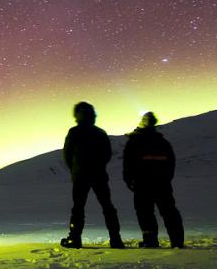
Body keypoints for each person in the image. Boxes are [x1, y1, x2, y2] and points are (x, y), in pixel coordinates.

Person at [61, 102, 124, 249]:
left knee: (78, 207)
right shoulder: (100, 133)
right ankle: (116, 239)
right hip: (99, 174)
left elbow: (67, 155)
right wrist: (98, 166)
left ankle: (75, 238)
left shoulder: (74, 132)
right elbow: (107, 154)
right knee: (107, 206)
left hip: (80, 176)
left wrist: (76, 169)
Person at [122, 112, 185, 248]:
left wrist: (130, 181)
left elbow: (128, 165)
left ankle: (150, 240)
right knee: (169, 211)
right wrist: (166, 179)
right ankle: (177, 241)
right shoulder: (163, 143)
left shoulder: (133, 142)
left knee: (145, 212)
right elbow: (170, 164)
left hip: (142, 184)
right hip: (162, 183)